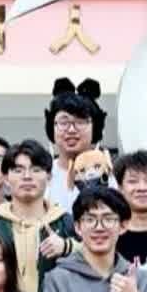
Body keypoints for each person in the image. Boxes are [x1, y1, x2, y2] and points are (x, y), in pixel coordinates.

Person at [0, 139, 75, 292]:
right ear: (6, 178)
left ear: (49, 176)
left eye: (36, 170)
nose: (27, 177)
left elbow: (96, 257)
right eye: (18, 170)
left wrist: (68, 246)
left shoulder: (68, 225)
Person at [44, 78, 106, 207]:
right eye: (64, 122)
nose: (71, 130)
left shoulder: (107, 174)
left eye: (80, 122)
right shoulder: (42, 175)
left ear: (95, 127)